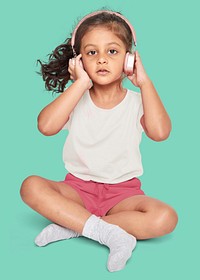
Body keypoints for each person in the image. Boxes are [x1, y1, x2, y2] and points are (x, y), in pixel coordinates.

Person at [20, 10, 178, 272]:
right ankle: (106, 232)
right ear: (79, 60)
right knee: (30, 186)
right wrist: (80, 84)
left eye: (113, 52)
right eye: (92, 53)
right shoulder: (76, 98)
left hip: (123, 196)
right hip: (77, 191)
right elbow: (46, 126)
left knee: (166, 218)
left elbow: (160, 133)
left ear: (129, 60)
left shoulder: (138, 102)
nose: (102, 59)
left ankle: (77, 225)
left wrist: (145, 82)